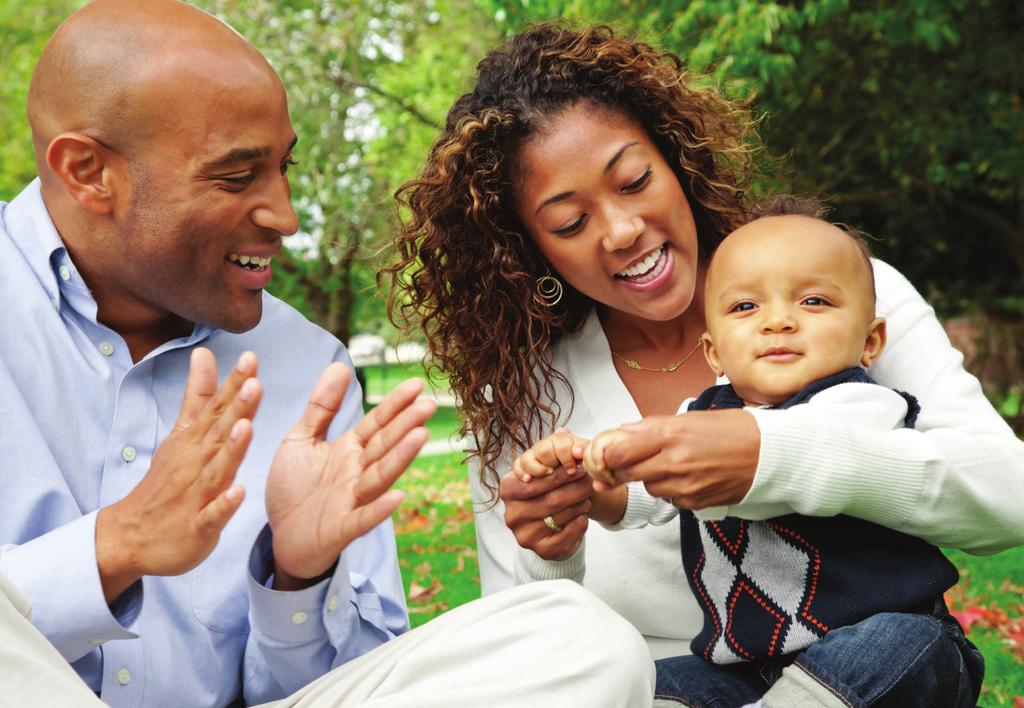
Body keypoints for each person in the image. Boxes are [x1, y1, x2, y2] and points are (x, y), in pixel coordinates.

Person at [0, 3, 654, 706]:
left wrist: (296, 577)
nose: (285, 216)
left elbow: (351, 690)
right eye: (235, 175)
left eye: (283, 167)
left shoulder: (311, 370)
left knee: (581, 638)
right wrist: (113, 547)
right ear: (88, 171)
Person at [386, 22, 1024, 703]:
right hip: (684, 685)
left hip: (867, 666)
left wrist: (768, 457)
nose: (622, 230)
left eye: (634, 181)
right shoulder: (527, 399)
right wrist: (555, 549)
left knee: (900, 646)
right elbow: (534, 662)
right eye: (570, 223)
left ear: (676, 162)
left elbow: (1009, 499)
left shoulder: (837, 298)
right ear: (528, 250)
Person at [578, 204, 984, 706]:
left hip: (886, 647)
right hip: (756, 669)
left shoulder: (859, 405)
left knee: (900, 645)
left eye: (813, 301)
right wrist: (600, 488)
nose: (777, 321)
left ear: (871, 340)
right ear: (714, 352)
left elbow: (790, 454)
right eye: (746, 308)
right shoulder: (700, 415)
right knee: (660, 683)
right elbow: (653, 491)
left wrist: (730, 454)